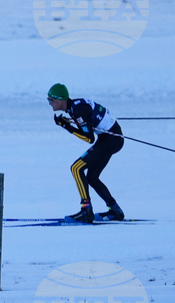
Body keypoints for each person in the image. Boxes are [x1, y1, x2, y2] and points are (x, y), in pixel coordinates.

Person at [47, 84, 125, 223]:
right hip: (110, 139)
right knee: (92, 177)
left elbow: (89, 138)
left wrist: (66, 126)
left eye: (51, 100)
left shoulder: (78, 110)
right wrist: (69, 124)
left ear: (59, 100)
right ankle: (115, 210)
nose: (49, 103)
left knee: (76, 168)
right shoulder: (74, 107)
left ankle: (86, 211)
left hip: (111, 140)